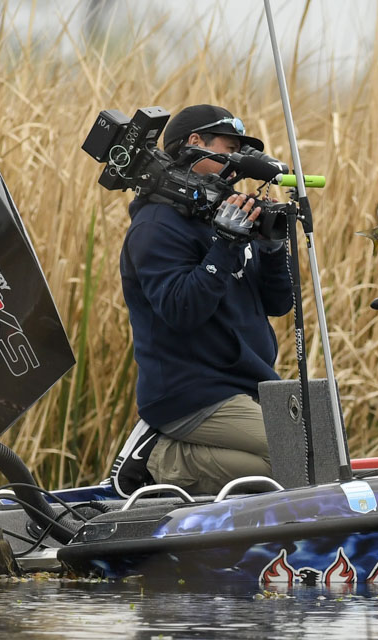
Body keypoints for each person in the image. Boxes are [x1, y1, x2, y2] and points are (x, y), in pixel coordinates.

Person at [110, 104, 293, 496]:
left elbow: (278, 304)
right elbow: (182, 311)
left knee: (315, 449)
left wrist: (273, 249)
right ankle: (160, 458)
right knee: (293, 454)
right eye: (231, 150)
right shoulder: (156, 226)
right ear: (196, 143)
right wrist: (225, 246)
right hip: (193, 393)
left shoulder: (223, 214)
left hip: (249, 382)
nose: (238, 165)